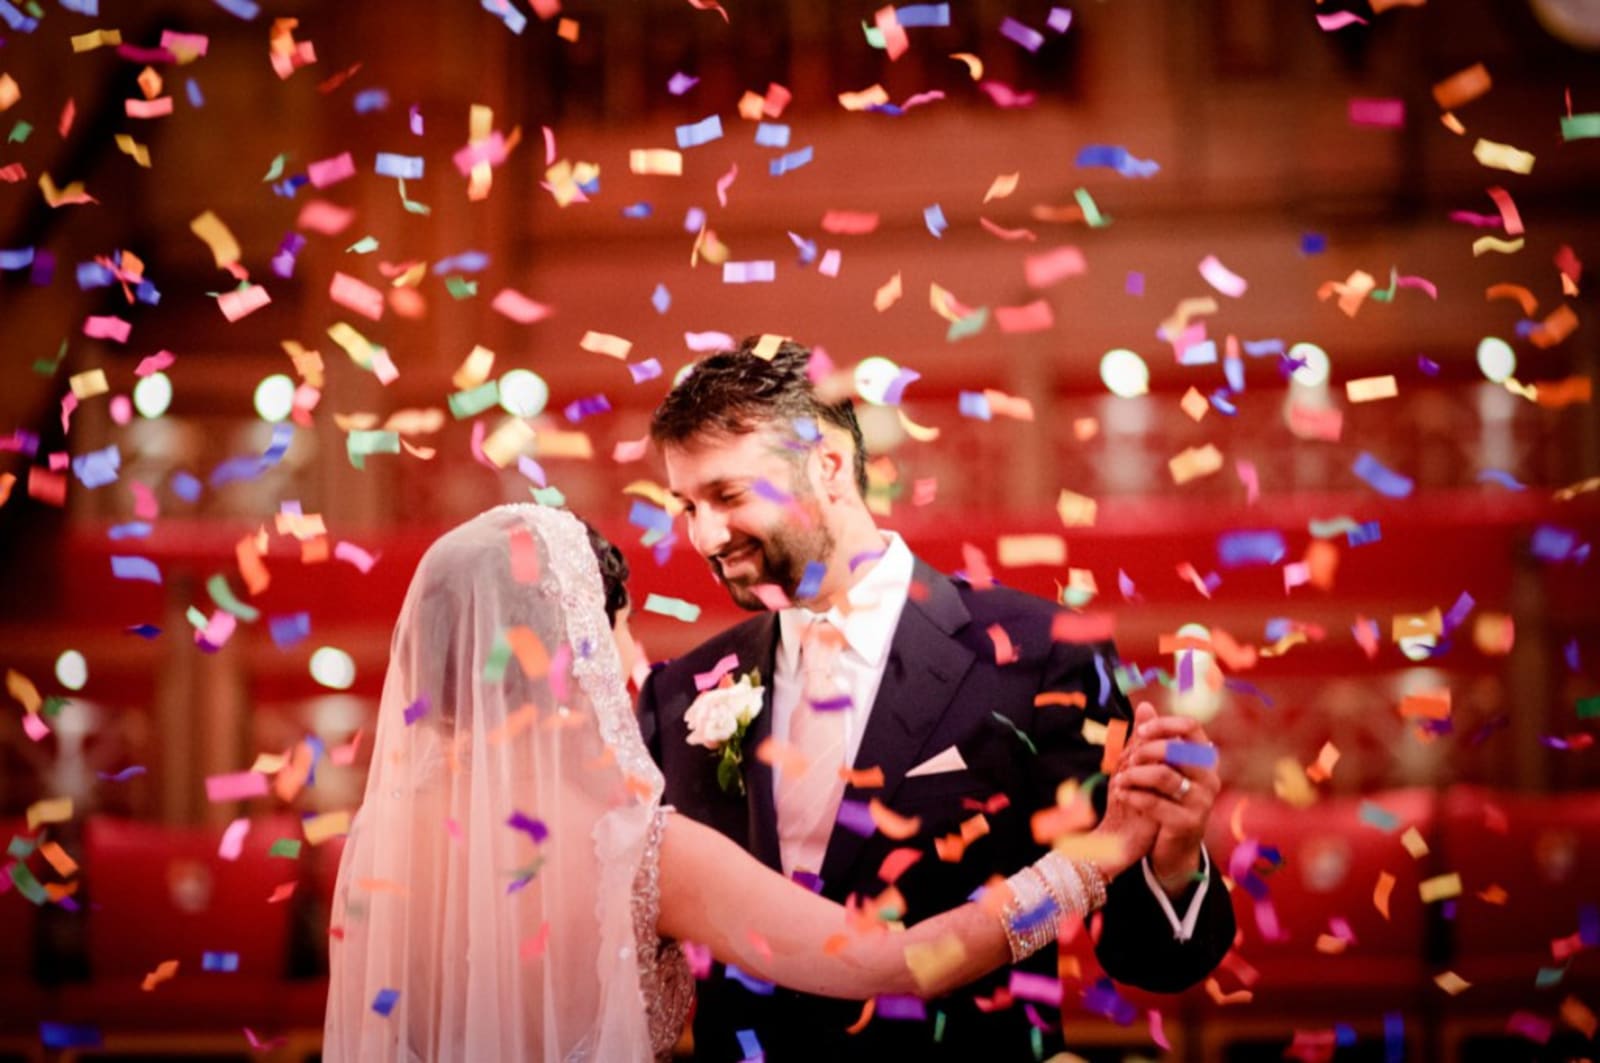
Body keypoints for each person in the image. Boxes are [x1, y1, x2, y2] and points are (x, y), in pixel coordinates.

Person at [323, 504, 1161, 1062]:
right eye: (616, 629)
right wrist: (1093, 862)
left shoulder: (379, 843)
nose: (631, 660)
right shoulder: (636, 847)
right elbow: (902, 960)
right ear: (576, 646)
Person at [638, 338, 1237, 1060]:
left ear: (827, 464)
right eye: (686, 505)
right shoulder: (683, 694)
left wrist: (1172, 858)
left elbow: (1153, 959)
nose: (703, 534)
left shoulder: (1039, 656)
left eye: (727, 495)